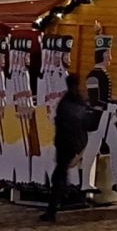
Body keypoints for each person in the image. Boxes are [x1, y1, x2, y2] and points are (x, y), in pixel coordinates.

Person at [40, 73, 90, 222]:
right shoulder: (79, 102)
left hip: (65, 144)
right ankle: (59, 201)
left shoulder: (65, 102)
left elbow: (62, 124)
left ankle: (53, 208)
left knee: (58, 177)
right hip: (74, 144)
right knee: (61, 176)